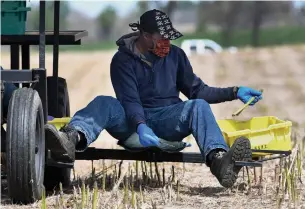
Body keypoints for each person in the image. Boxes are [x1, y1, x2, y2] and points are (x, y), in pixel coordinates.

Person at [44, 9, 262, 188]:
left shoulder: (176, 56)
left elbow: (199, 91)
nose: (167, 41)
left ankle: (219, 161)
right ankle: (71, 139)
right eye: (163, 37)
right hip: (132, 122)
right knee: (104, 102)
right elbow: (129, 100)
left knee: (198, 106)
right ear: (145, 35)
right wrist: (140, 125)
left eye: (169, 37)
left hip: (167, 118)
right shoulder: (122, 61)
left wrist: (234, 91)